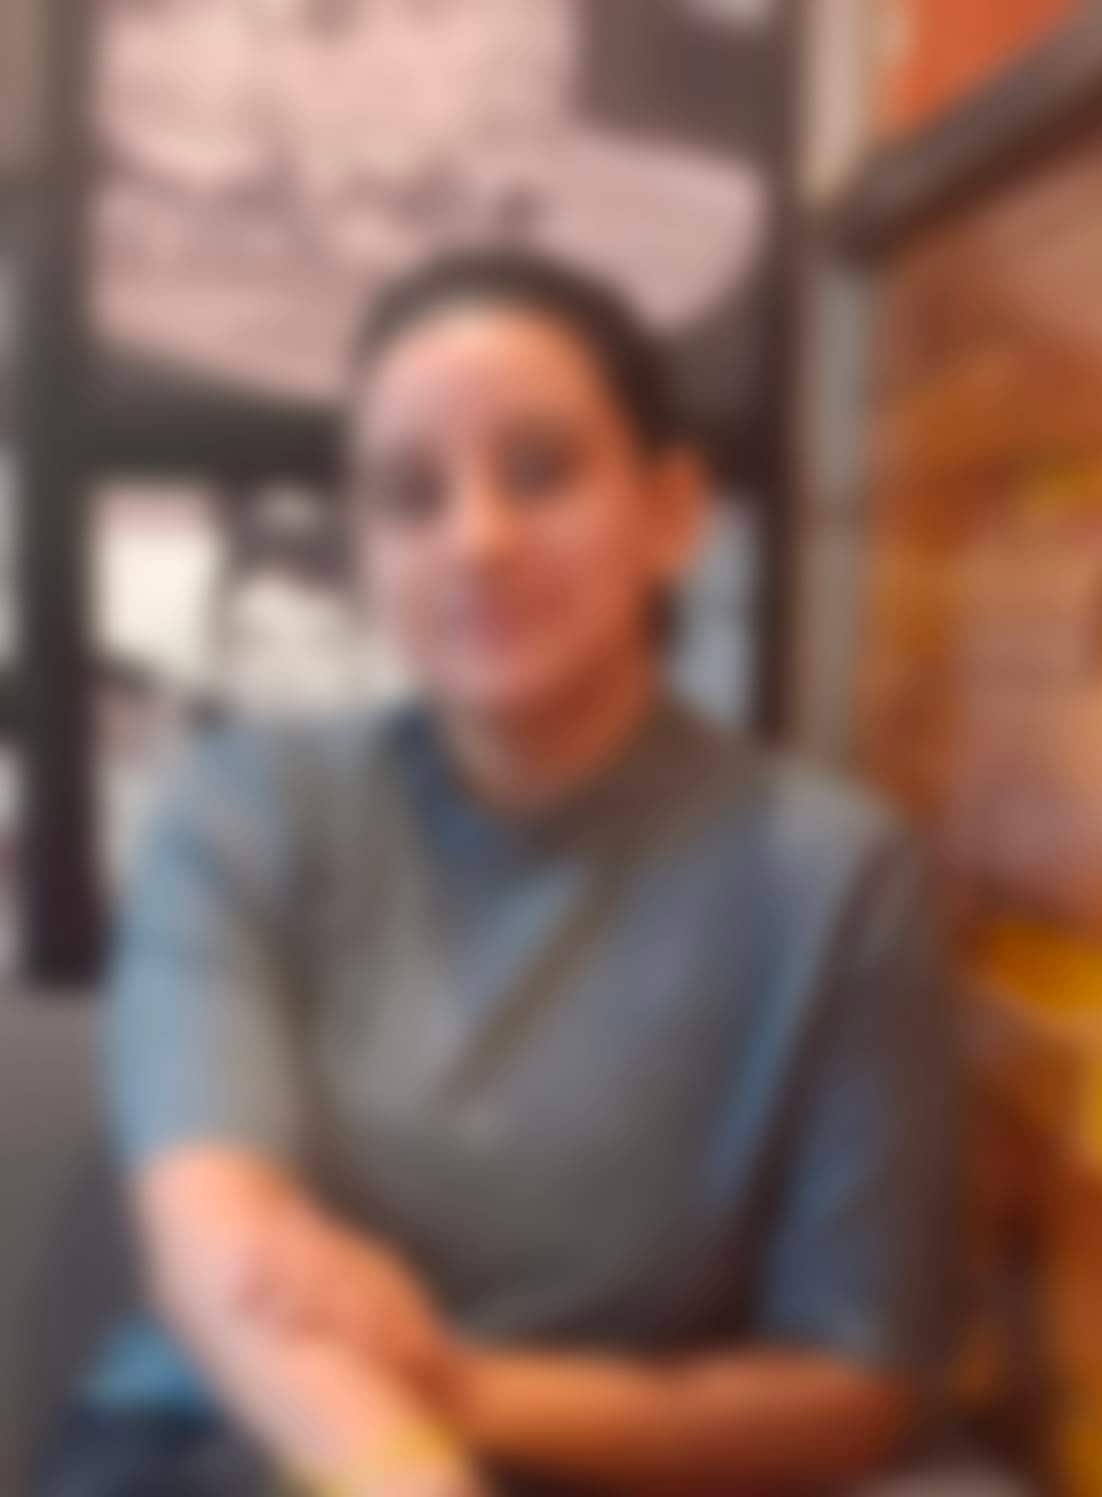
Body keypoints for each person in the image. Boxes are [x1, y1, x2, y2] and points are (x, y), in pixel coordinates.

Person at [41, 251, 960, 1496]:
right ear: (366, 549)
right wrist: (408, 1465)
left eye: (539, 470)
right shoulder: (242, 808)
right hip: (223, 1441)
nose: (475, 539)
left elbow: (852, 1384)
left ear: (671, 511)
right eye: (408, 496)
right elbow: (221, 1240)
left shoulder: (832, 880)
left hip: (600, 1463)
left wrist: (462, 1391)